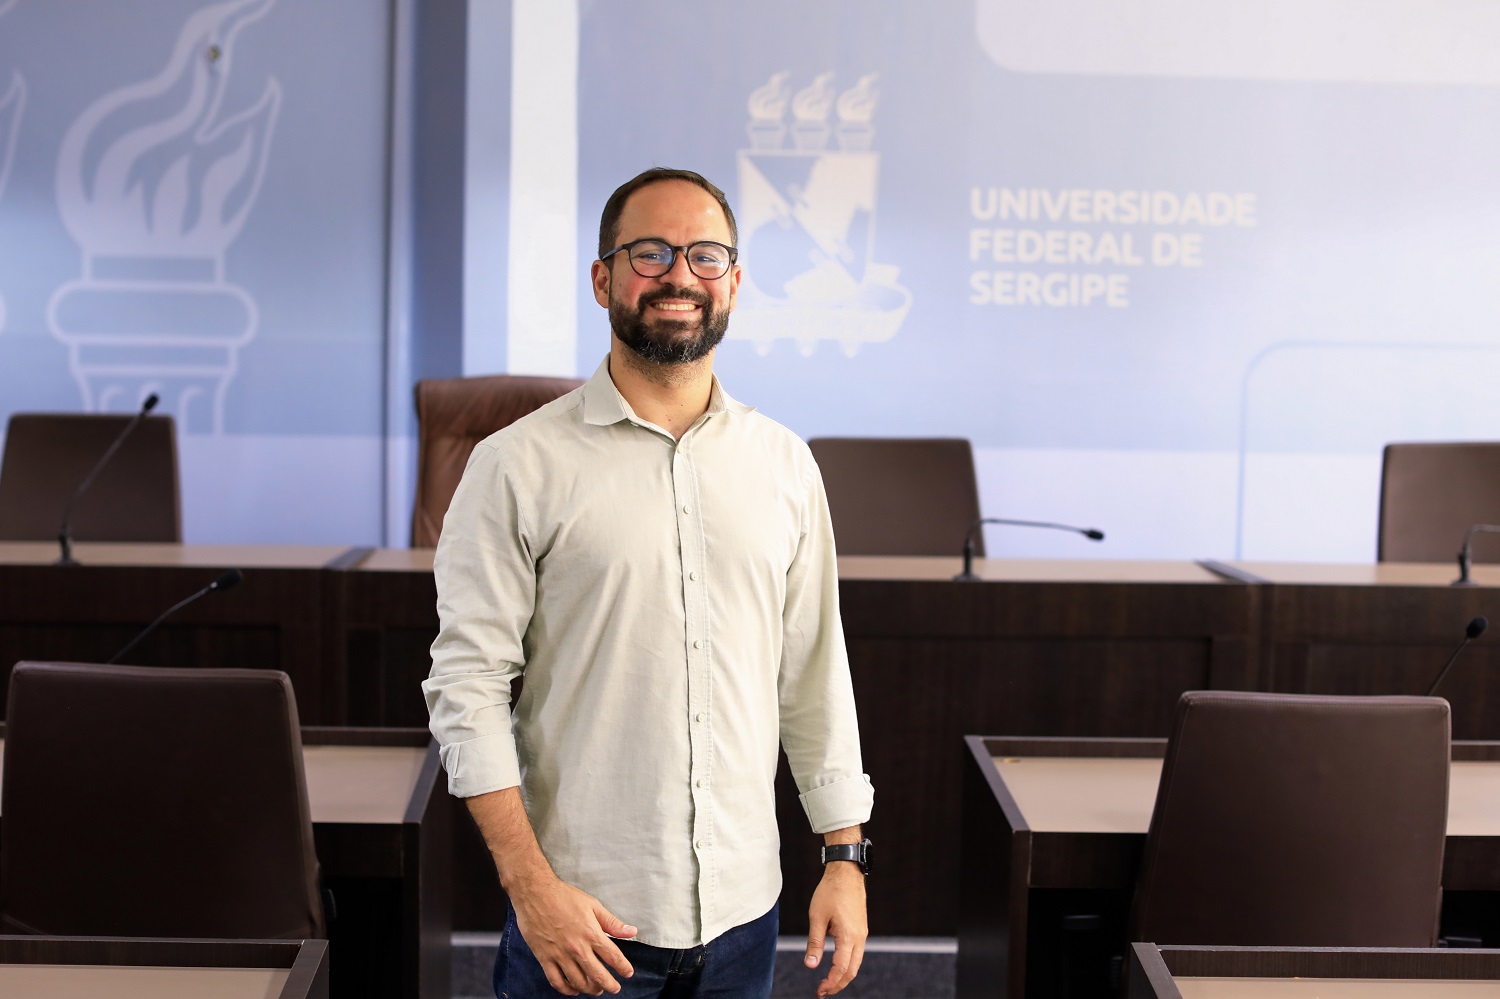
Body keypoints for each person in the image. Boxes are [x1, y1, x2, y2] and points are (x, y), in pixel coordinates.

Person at [424, 167, 874, 998]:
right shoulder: (516, 465)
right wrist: (530, 889)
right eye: (651, 252)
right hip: (579, 925)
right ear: (603, 279)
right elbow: (466, 687)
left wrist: (843, 857)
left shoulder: (784, 464)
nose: (680, 276)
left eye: (706, 256)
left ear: (734, 282)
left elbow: (814, 675)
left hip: (744, 921)